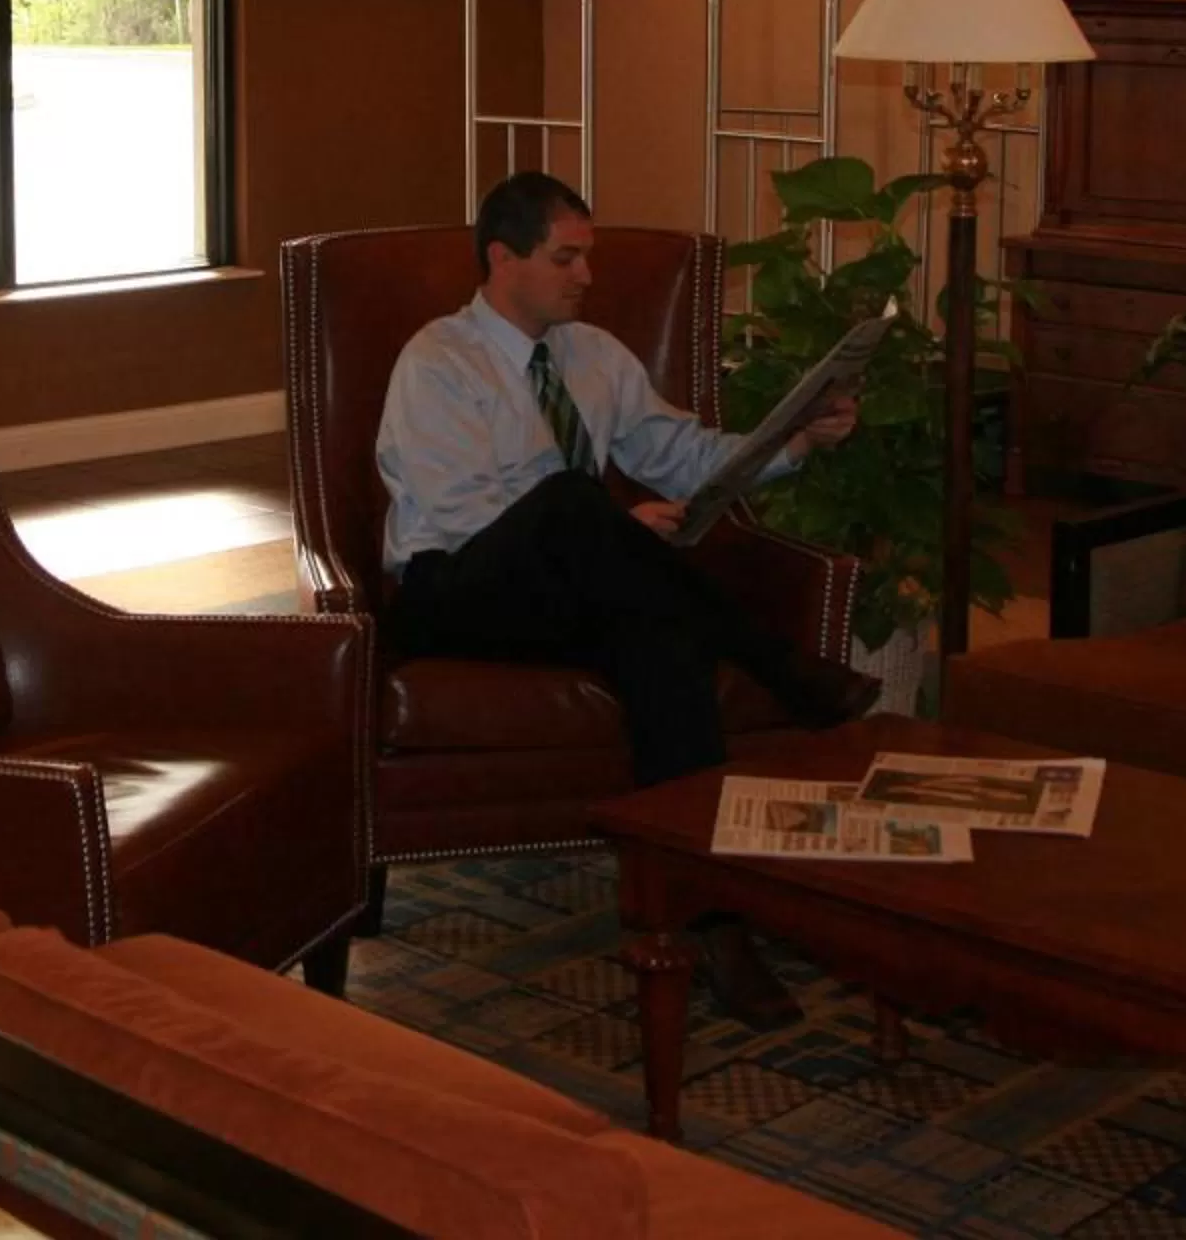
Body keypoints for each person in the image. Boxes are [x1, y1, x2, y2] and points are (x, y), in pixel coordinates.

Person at [377, 171, 881, 1025]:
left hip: (568, 588)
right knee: (574, 499)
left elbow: (686, 459)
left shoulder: (595, 355)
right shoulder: (438, 361)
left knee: (663, 639)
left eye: (588, 256)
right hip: (453, 592)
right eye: (564, 258)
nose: (586, 275)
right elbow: (465, 516)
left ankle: (706, 916)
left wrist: (795, 441)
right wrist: (607, 527)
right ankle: (783, 666)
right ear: (502, 258)